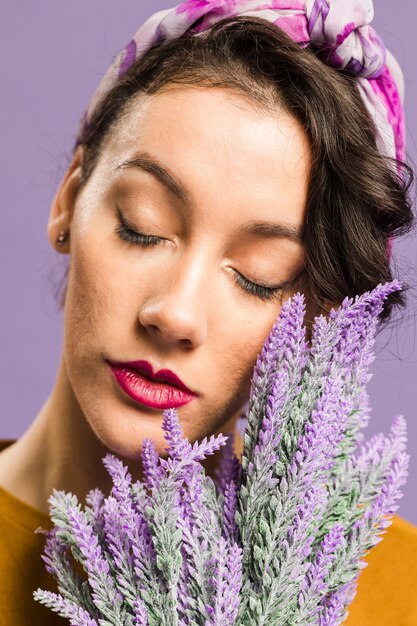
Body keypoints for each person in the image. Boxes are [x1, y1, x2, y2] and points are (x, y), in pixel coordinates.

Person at [0, 1, 416, 624]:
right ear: (70, 197)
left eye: (256, 276)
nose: (176, 313)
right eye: (143, 227)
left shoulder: (398, 592)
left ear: (318, 320)